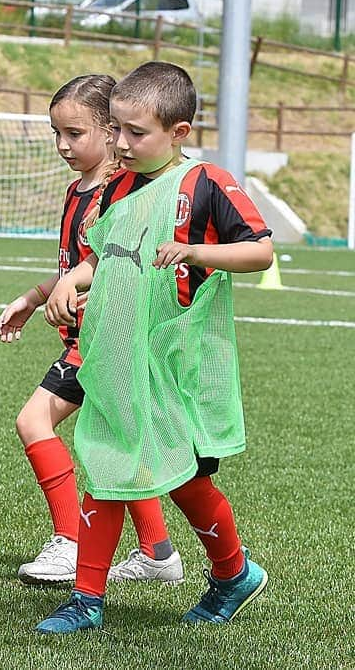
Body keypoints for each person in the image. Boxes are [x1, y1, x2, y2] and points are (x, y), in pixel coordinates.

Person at [36, 62, 272, 634]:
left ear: (179, 132)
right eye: (115, 129)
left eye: (135, 133)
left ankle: (234, 574)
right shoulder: (116, 186)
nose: (121, 143)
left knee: (188, 481)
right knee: (104, 468)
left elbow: (261, 252)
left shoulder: (206, 183)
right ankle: (87, 599)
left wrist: (197, 253)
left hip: (178, 368)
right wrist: (71, 281)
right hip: (117, 358)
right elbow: (102, 252)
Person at [0, 74, 183, 586]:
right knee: (120, 443)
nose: (63, 145)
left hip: (106, 341)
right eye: (56, 133)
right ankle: (158, 553)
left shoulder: (122, 193)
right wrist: (34, 297)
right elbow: (76, 264)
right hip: (87, 339)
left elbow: (114, 264)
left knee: (34, 422)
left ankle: (69, 542)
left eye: (75, 133)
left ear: (110, 130)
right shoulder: (76, 190)